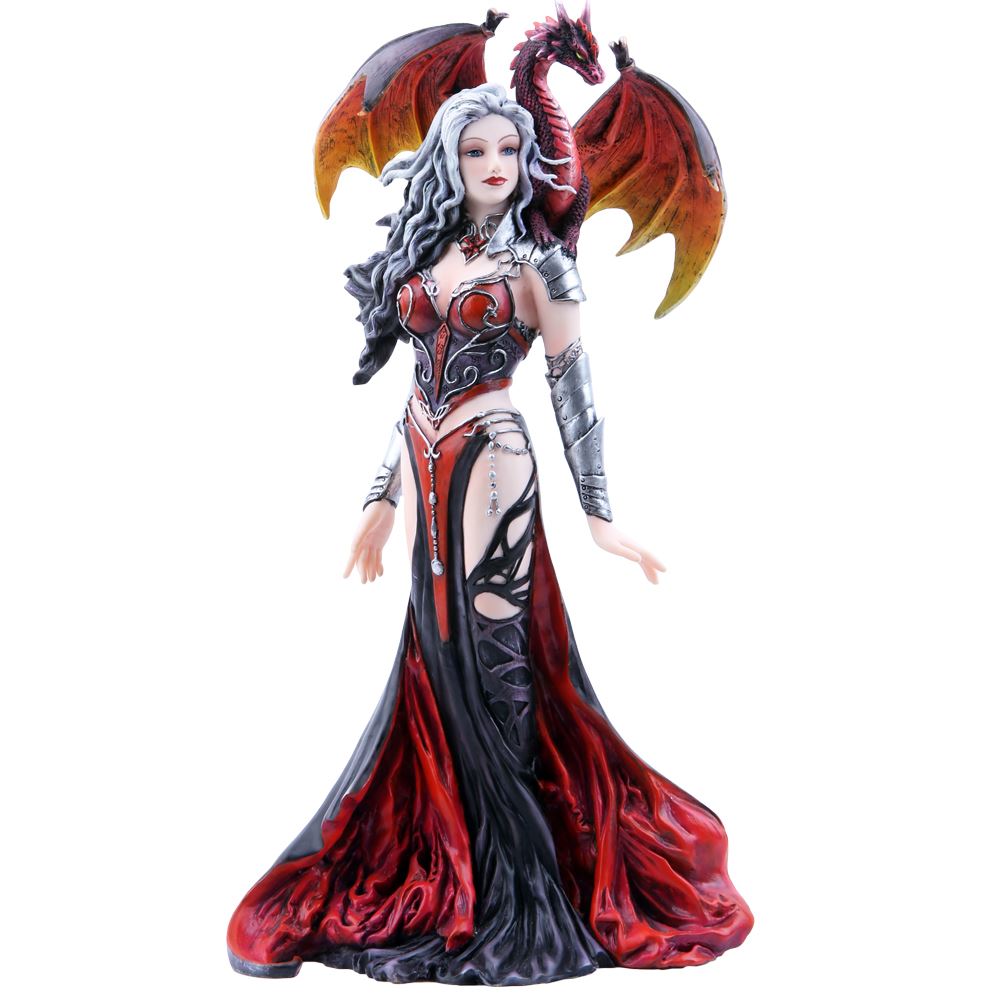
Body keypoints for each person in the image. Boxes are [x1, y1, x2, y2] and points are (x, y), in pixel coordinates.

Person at [227, 83, 753, 986]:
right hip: (424, 462)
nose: (496, 166)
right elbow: (417, 388)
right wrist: (379, 498)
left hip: (493, 461)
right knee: (435, 654)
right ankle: (459, 841)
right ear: (448, 157)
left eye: (509, 151)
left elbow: (575, 391)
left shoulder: (542, 266)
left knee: (491, 653)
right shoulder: (427, 250)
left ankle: (517, 863)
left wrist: (600, 516)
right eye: (476, 151)